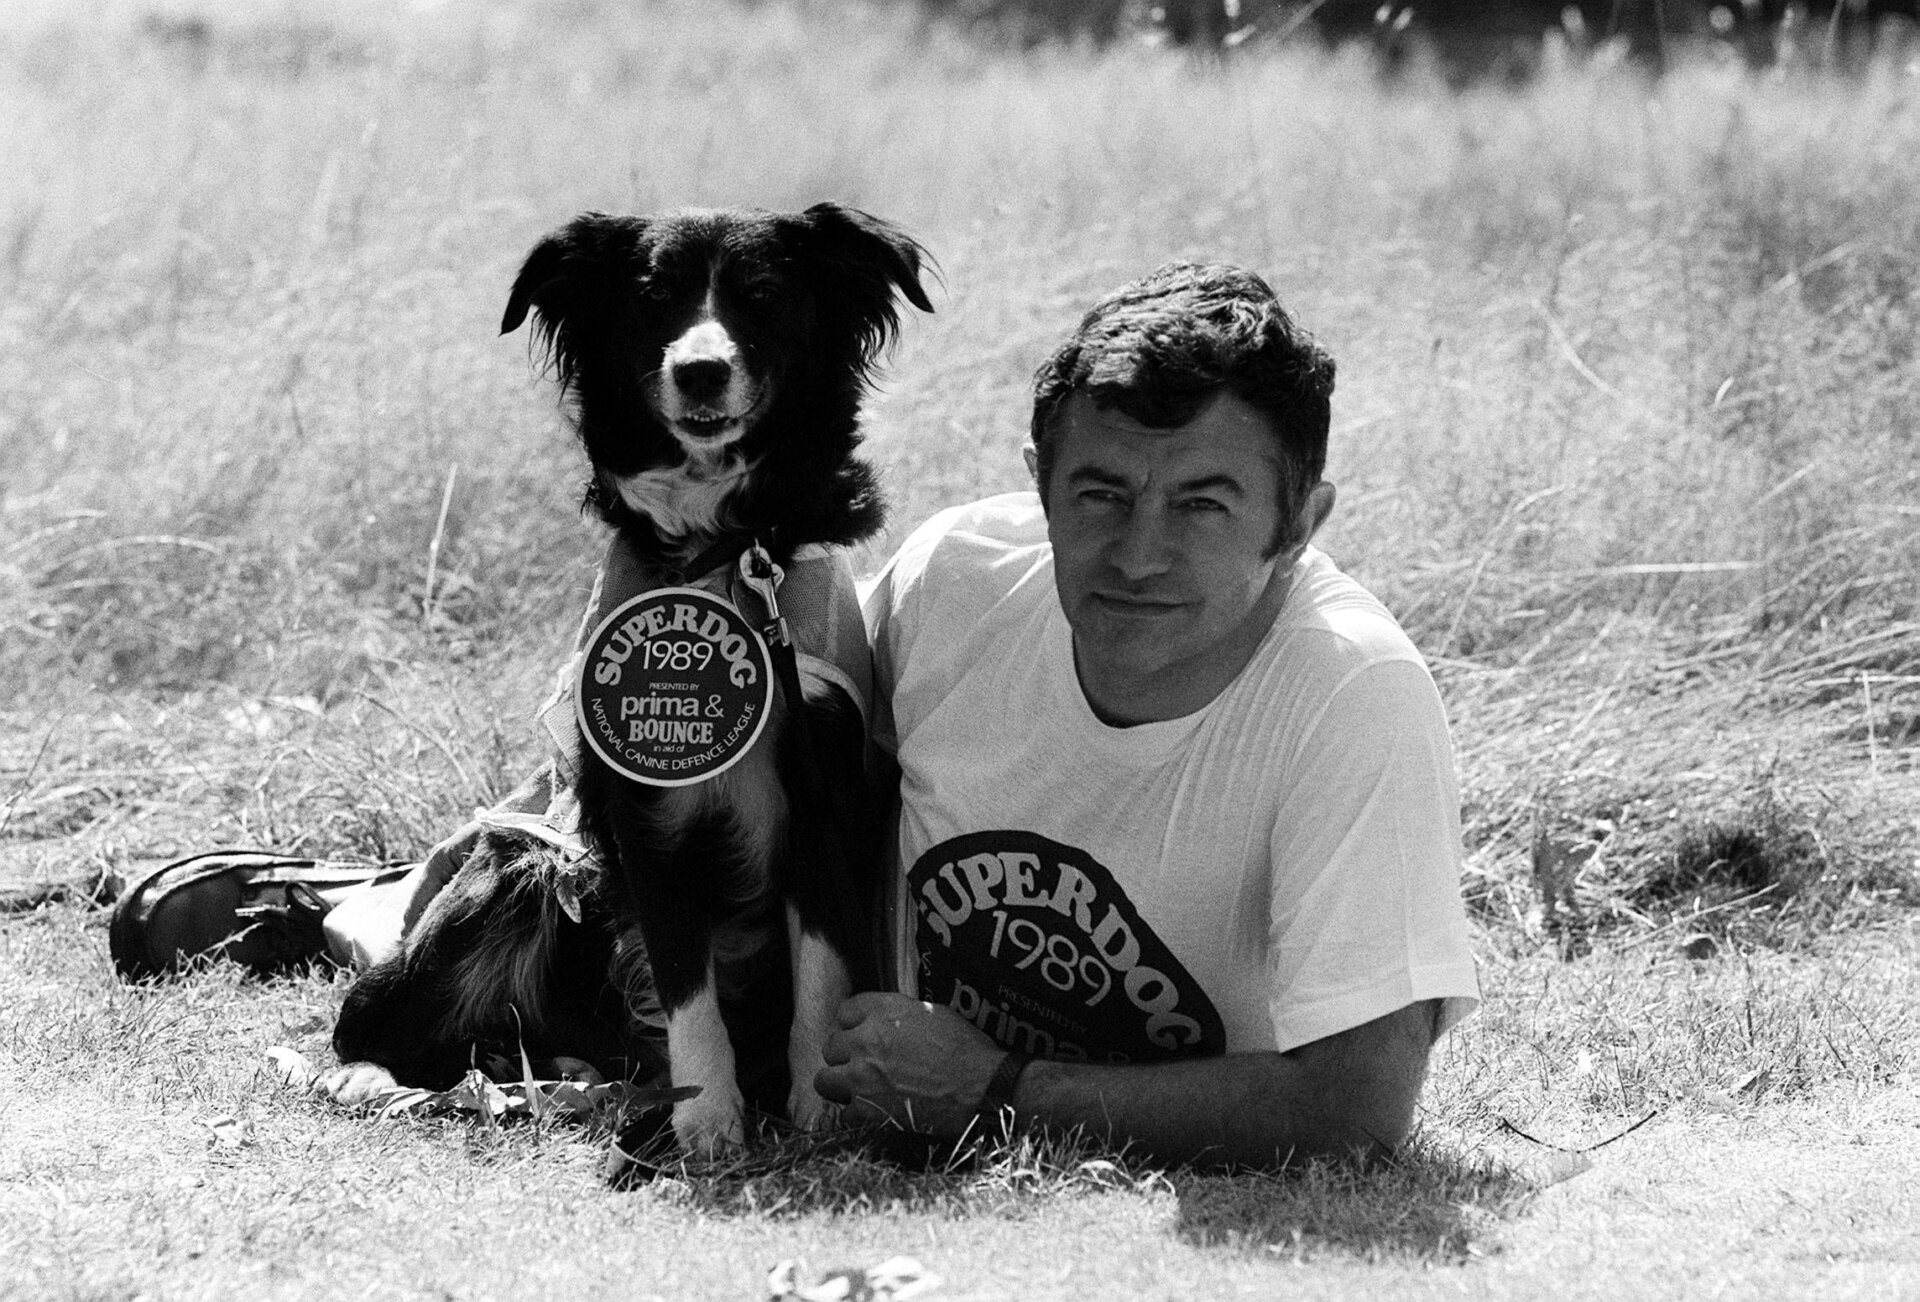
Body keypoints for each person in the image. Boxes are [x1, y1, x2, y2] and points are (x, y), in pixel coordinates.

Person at [809, 262, 1479, 1168]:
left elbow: (1354, 1111)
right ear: (1038, 485)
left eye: (1202, 505)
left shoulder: (1352, 693)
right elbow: (790, 775)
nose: (1138, 554)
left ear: (1299, 527)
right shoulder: (952, 585)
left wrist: (995, 1091)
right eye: (1101, 495)